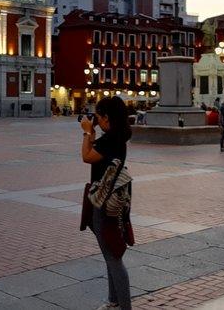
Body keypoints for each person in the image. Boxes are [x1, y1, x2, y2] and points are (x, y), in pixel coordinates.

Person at [81, 96, 132, 310]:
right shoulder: (118, 137)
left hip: (103, 200)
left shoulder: (109, 140)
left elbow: (86, 156)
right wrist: (92, 133)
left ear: (107, 118)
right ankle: (114, 300)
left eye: (99, 117)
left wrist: (86, 132)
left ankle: (124, 306)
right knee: (111, 253)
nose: (97, 120)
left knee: (112, 257)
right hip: (113, 200)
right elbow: (94, 152)